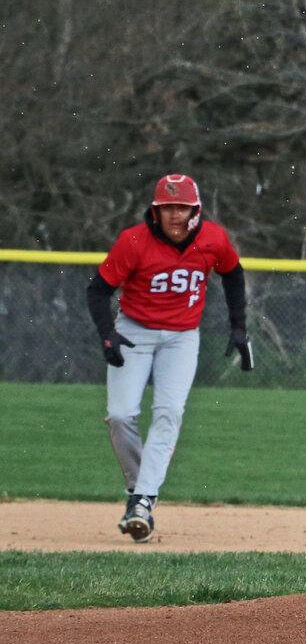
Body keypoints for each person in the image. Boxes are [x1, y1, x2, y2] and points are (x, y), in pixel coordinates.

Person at [86, 174, 254, 543]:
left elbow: (233, 275)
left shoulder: (213, 239)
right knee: (119, 414)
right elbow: (98, 291)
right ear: (155, 210)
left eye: (182, 207)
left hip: (181, 338)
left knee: (169, 412)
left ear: (196, 210)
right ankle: (139, 491)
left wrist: (239, 327)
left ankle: (143, 501)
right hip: (135, 331)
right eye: (167, 208)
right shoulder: (134, 241)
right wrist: (107, 334)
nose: (175, 215)